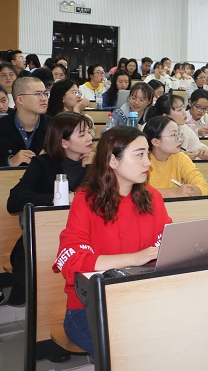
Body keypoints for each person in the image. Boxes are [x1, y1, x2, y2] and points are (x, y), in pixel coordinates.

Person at [54, 127, 172, 356]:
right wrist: (134, 258)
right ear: (112, 161)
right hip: (90, 307)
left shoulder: (152, 197)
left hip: (141, 299)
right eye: (139, 155)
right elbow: (73, 260)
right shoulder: (86, 200)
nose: (147, 163)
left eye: (147, 154)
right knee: (131, 352)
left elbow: (167, 243)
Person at [6, 112, 93, 305]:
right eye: (82, 134)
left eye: (89, 132)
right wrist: (59, 198)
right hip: (47, 235)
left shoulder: (94, 165)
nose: (89, 138)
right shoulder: (42, 163)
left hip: (84, 236)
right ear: (64, 142)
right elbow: (15, 201)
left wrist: (92, 169)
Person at [143, 116, 208, 197]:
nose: (180, 139)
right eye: (173, 135)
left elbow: (203, 186)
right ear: (156, 142)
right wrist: (173, 192)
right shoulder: (142, 161)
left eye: (178, 134)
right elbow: (139, 193)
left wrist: (193, 191)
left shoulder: (180, 158)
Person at [0, 77, 52, 167]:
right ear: (20, 99)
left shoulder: (54, 126)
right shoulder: (2, 126)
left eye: (45, 93)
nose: (44, 98)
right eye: (38, 94)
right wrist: (9, 162)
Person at [148, 94, 208, 160]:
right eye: (179, 110)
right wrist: (181, 158)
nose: (184, 112)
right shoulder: (150, 128)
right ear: (165, 116)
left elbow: (198, 147)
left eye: (183, 107)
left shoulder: (184, 128)